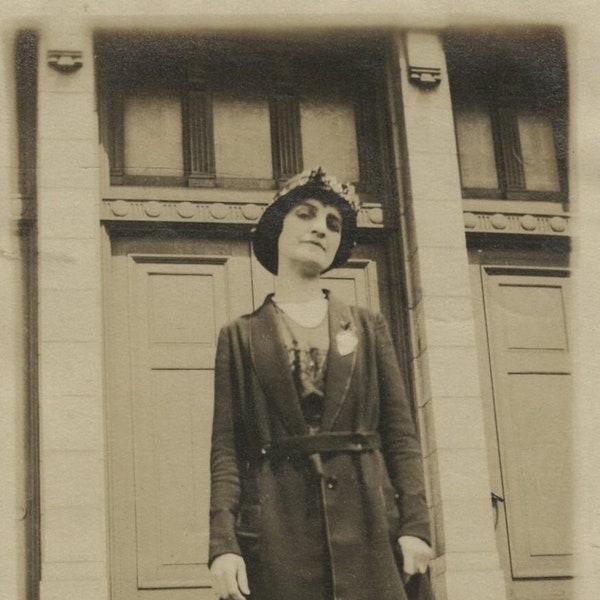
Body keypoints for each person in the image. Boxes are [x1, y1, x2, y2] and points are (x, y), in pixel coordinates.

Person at [209, 167, 434, 600]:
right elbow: (227, 450)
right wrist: (223, 546)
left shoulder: (368, 327)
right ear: (276, 228)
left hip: (371, 523)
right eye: (306, 214)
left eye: (333, 224)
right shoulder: (239, 336)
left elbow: (401, 436)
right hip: (277, 532)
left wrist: (415, 526)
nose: (320, 228)